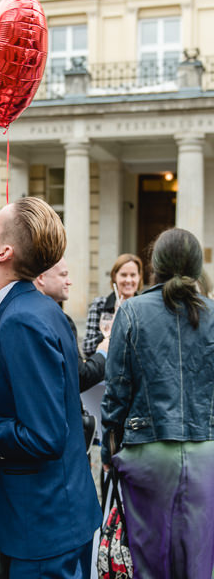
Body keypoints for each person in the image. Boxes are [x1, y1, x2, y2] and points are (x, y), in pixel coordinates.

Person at [0, 197, 100, 578]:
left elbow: (45, 437)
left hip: (42, 523)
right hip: (51, 514)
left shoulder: (22, 320)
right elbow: (49, 397)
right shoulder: (35, 308)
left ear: (4, 251)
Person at [101, 228, 214, 579]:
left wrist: (108, 453)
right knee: (199, 564)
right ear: (197, 267)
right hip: (206, 450)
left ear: (155, 265)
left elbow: (116, 391)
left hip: (147, 450)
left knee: (149, 565)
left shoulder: (131, 311)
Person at [34, 257, 108, 394]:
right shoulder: (59, 321)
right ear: (41, 278)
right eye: (63, 275)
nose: (69, 281)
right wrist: (103, 352)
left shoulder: (26, 312)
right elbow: (78, 377)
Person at [81, 253, 143, 358]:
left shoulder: (144, 307)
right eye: (123, 275)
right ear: (115, 277)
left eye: (133, 275)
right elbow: (87, 348)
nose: (128, 280)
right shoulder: (100, 305)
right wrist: (110, 330)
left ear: (139, 277)